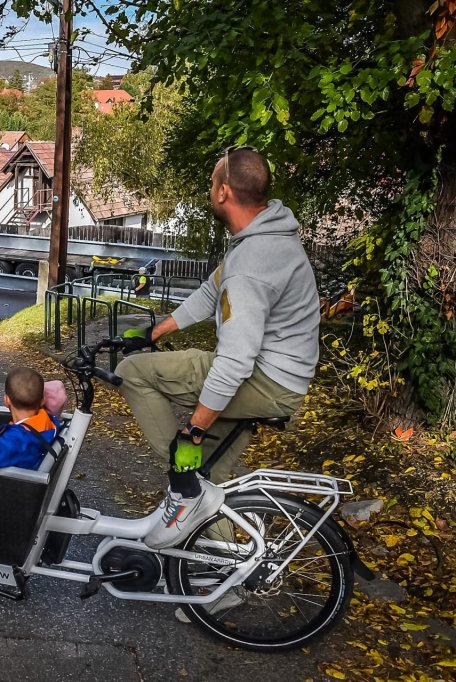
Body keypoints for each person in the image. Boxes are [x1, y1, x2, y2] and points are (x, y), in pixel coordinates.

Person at [115, 147, 320, 551]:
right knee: (212, 470)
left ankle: (183, 487)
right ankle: (221, 570)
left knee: (134, 373)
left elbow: (235, 361)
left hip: (266, 379)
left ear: (224, 192)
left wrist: (193, 432)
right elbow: (212, 291)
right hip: (284, 377)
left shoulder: (252, 263)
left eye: (212, 184)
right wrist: (157, 331)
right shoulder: (265, 233)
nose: (210, 191)